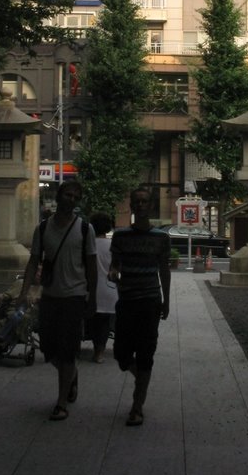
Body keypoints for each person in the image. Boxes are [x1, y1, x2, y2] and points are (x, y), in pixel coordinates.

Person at [17, 180, 97, 421]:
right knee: (48, 349)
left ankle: (61, 402)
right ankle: (71, 375)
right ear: (59, 196)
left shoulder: (84, 229)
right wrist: (24, 292)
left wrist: (93, 297)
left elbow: (92, 265)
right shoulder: (43, 228)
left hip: (74, 296)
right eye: (67, 195)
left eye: (75, 196)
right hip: (50, 295)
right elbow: (33, 261)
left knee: (68, 351)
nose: (71, 200)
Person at [109, 187, 171, 427]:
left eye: (145, 201)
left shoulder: (161, 238)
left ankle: (137, 405)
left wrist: (167, 300)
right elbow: (115, 265)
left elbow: (164, 270)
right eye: (138, 201)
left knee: (146, 352)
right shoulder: (120, 236)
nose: (142, 205)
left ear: (151, 205)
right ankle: (142, 377)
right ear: (132, 206)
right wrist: (113, 273)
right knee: (121, 355)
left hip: (149, 301)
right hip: (126, 300)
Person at [86, 212, 117, 364]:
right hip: (109, 290)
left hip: (89, 289)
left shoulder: (86, 245)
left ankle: (94, 346)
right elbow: (116, 270)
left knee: (92, 320)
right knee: (105, 323)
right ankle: (99, 352)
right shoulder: (113, 246)